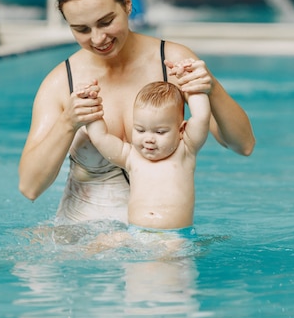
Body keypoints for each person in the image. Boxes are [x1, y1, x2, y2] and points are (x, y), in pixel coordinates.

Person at [18, 0, 255, 224]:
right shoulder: (61, 83)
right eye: (81, 29)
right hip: (81, 243)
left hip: (157, 238)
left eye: (106, 22)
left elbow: (243, 145)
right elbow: (30, 187)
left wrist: (211, 87)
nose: (97, 39)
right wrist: (67, 122)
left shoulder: (173, 61)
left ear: (127, 4)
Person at [80, 70, 210, 235]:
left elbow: (201, 118)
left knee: (169, 257)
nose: (149, 139)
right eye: (140, 130)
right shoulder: (130, 156)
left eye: (160, 132)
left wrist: (193, 86)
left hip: (174, 236)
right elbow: (101, 138)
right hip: (135, 232)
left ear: (181, 130)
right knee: (104, 242)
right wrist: (89, 104)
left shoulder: (185, 151)